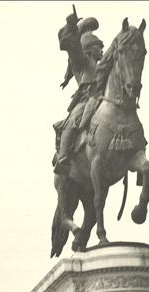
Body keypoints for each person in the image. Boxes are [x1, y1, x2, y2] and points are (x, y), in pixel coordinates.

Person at [53, 10, 104, 174]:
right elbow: (72, 46)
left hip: (103, 97)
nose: (102, 50)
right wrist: (71, 26)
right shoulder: (81, 62)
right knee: (75, 120)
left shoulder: (102, 67)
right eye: (99, 46)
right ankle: (63, 156)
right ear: (89, 49)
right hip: (86, 98)